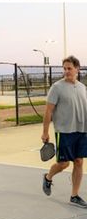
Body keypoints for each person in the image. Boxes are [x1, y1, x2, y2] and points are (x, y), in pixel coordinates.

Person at [41, 56, 87, 208]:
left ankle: (74, 195)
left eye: (69, 68)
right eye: (65, 68)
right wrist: (45, 132)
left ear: (77, 69)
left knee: (79, 162)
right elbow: (48, 111)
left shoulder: (82, 87)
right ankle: (48, 177)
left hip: (82, 131)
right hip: (64, 131)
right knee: (63, 164)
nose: (66, 71)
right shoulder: (57, 87)